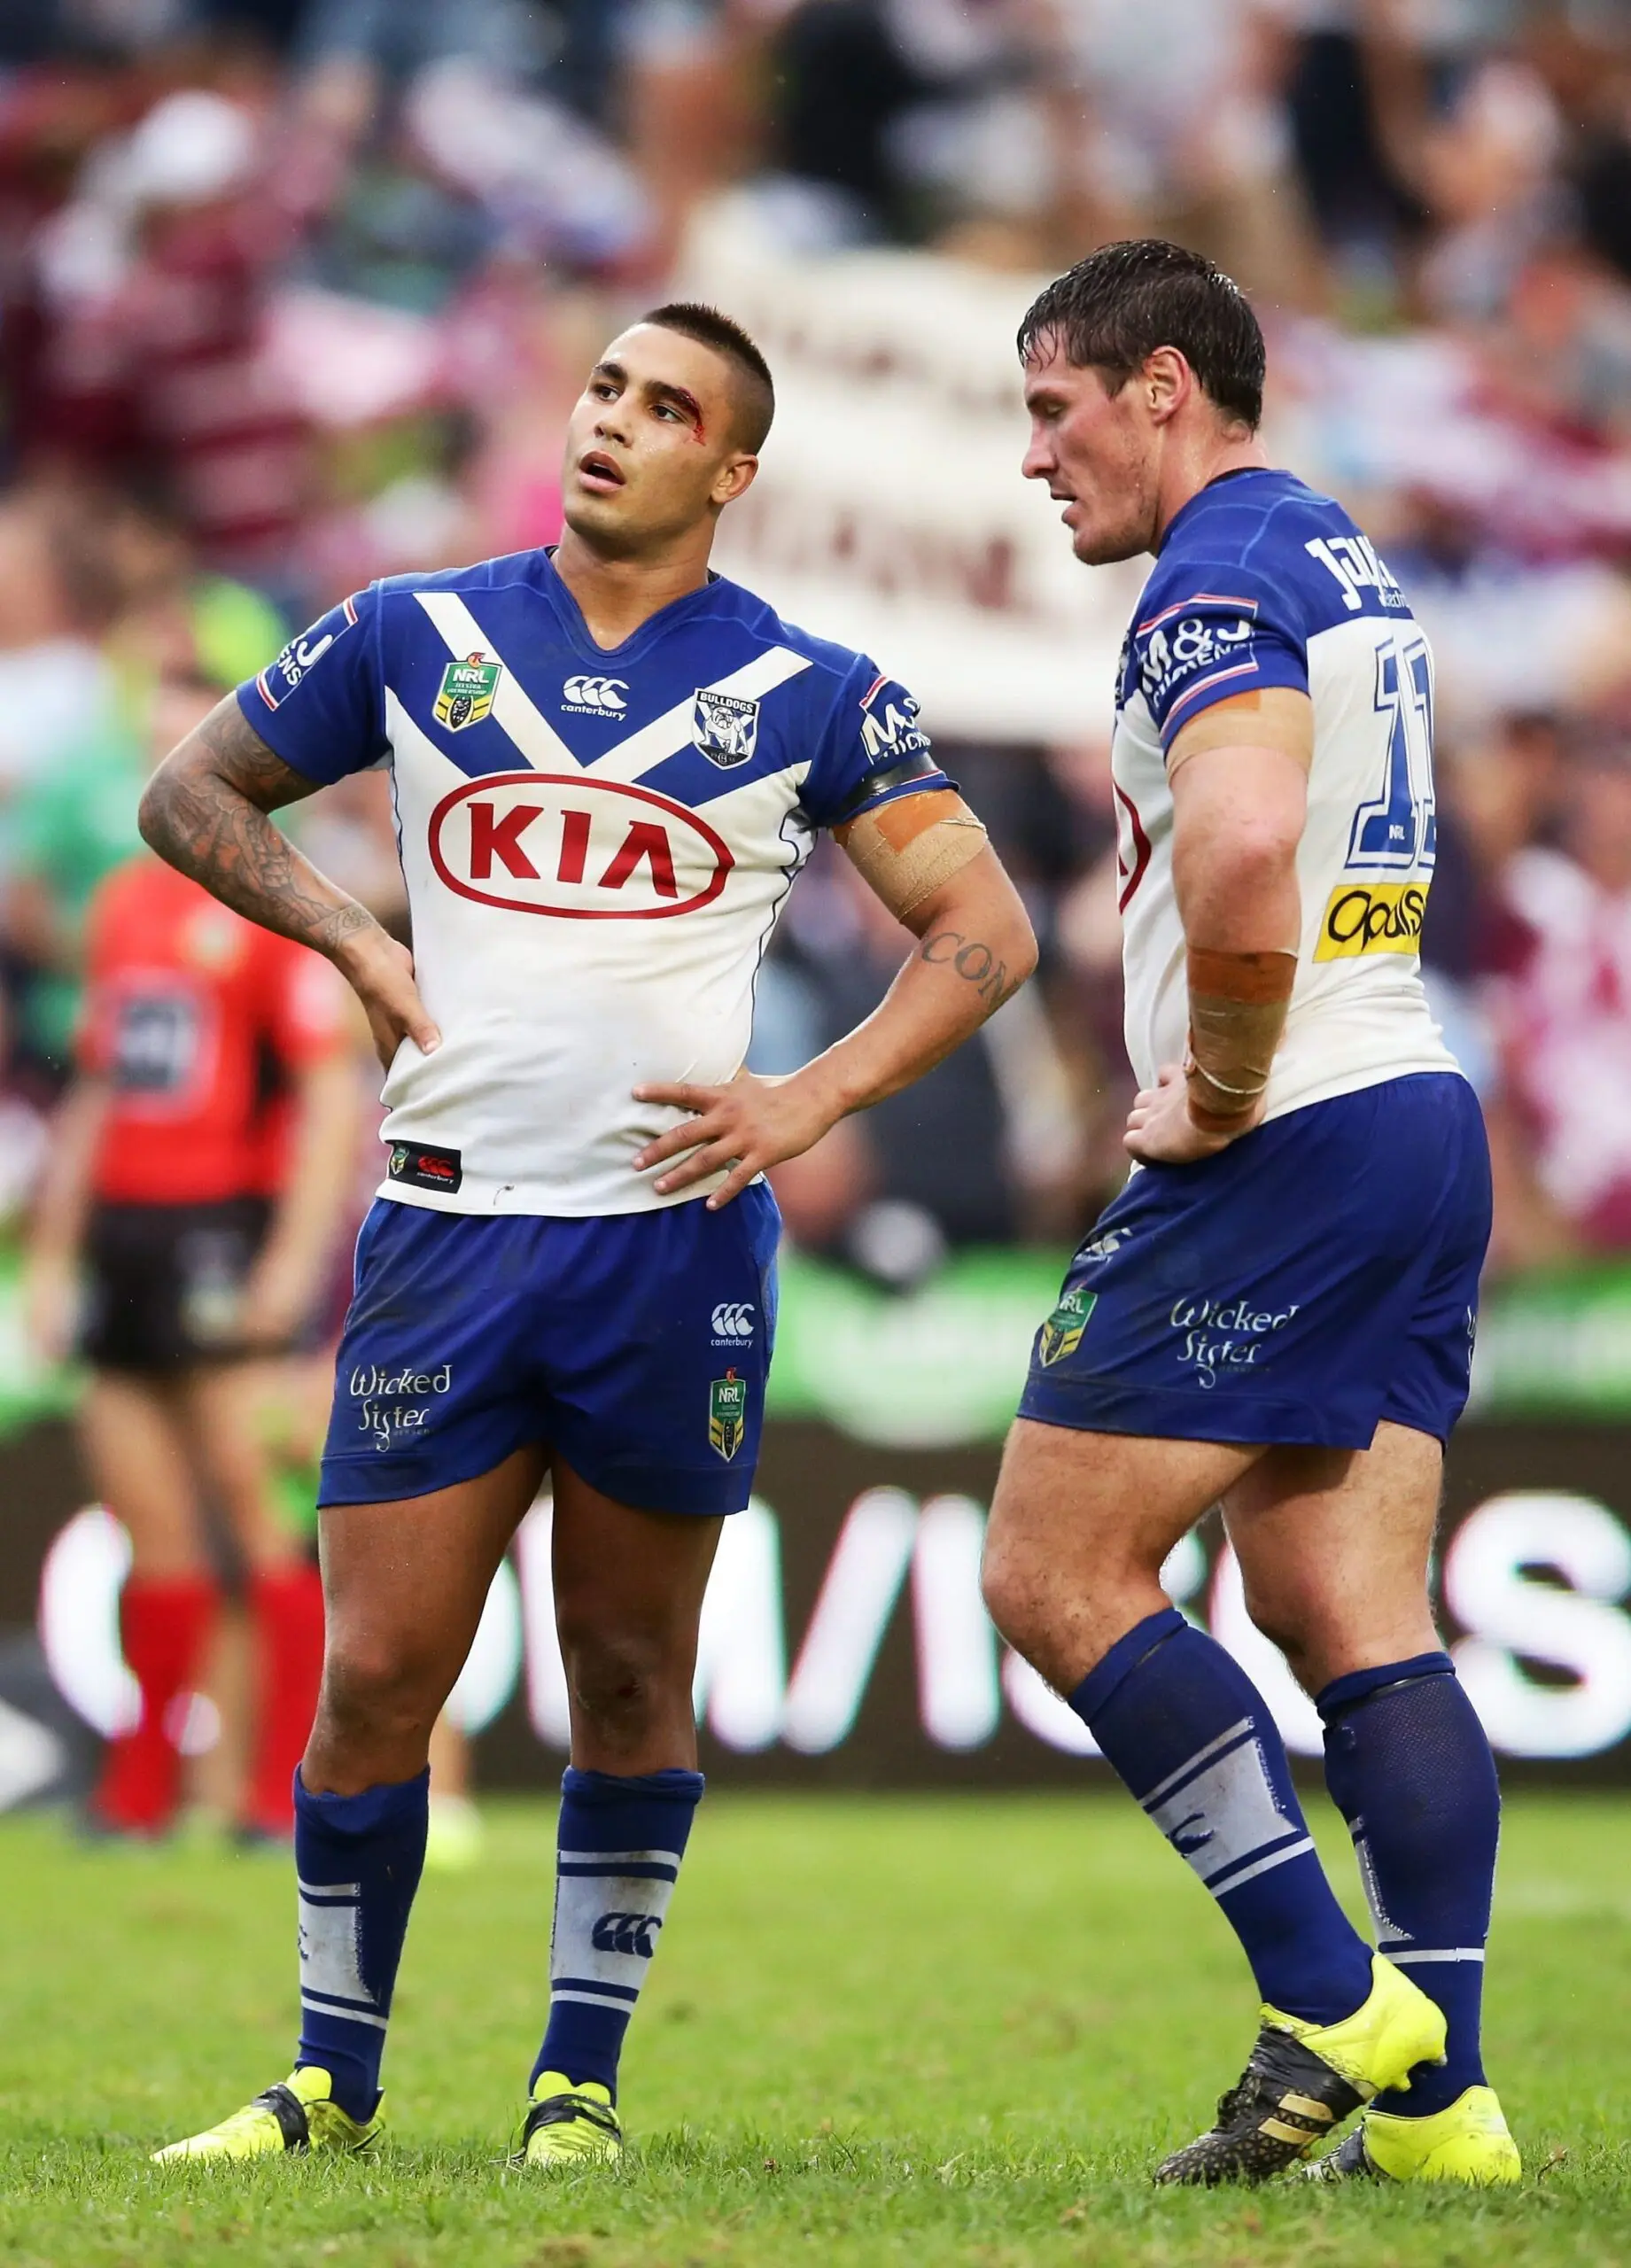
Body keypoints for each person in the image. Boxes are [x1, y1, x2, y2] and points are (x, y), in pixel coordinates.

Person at [137, 301, 1037, 2165]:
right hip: (447, 1236)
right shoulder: (413, 632)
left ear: (732, 469)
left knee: (627, 1677)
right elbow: (187, 791)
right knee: (375, 1678)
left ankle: (577, 2082)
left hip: (667, 1246)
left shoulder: (808, 686)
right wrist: (356, 935)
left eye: (666, 406)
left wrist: (810, 1099)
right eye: (605, 387)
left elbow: (987, 932)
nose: (612, 420)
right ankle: (328, 2076)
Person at [979, 241, 1518, 2189]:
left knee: (1051, 1569)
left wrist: (1208, 1088)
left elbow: (1238, 839)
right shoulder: (1334, 550)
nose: (1033, 457)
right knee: (1341, 1606)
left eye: (1053, 409)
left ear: (1162, 388)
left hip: (1284, 1129)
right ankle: (1443, 2108)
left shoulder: (1209, 577)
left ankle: (1331, 1993)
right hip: (1413, 1108)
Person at [25, 660, 359, 1843]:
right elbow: (99, 1090)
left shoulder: (279, 903)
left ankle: (278, 1793)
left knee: (255, 1512)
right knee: (148, 1523)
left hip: (224, 1228)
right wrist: (53, 1254)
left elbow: (329, 1099)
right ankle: (139, 1793)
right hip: (124, 1235)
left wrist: (291, 1264)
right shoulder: (123, 906)